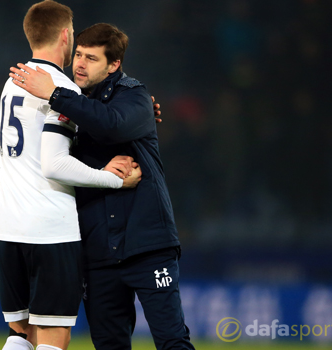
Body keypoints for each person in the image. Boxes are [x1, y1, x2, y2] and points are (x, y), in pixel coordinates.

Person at [10, 23, 195, 350]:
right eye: (78, 54)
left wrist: (54, 93)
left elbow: (112, 125)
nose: (80, 64)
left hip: (147, 246)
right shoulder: (73, 105)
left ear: (114, 65)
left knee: (172, 341)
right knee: (109, 345)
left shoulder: (134, 93)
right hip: (98, 253)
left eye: (92, 59)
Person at [0, 2, 141, 350]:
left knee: (20, 334)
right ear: (65, 34)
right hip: (48, 226)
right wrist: (112, 178)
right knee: (52, 336)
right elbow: (54, 164)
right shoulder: (61, 89)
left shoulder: (12, 81)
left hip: (8, 224)